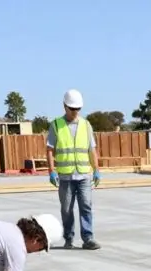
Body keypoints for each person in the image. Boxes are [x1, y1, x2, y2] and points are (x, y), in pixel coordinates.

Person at [46, 89, 101, 250]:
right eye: (72, 109)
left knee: (86, 206)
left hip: (84, 175)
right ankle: (69, 238)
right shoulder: (56, 125)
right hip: (65, 176)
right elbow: (49, 149)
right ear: (65, 106)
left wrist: (96, 169)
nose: (75, 112)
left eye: (78, 109)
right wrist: (51, 171)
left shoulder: (86, 125)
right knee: (66, 209)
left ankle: (88, 238)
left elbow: (92, 149)